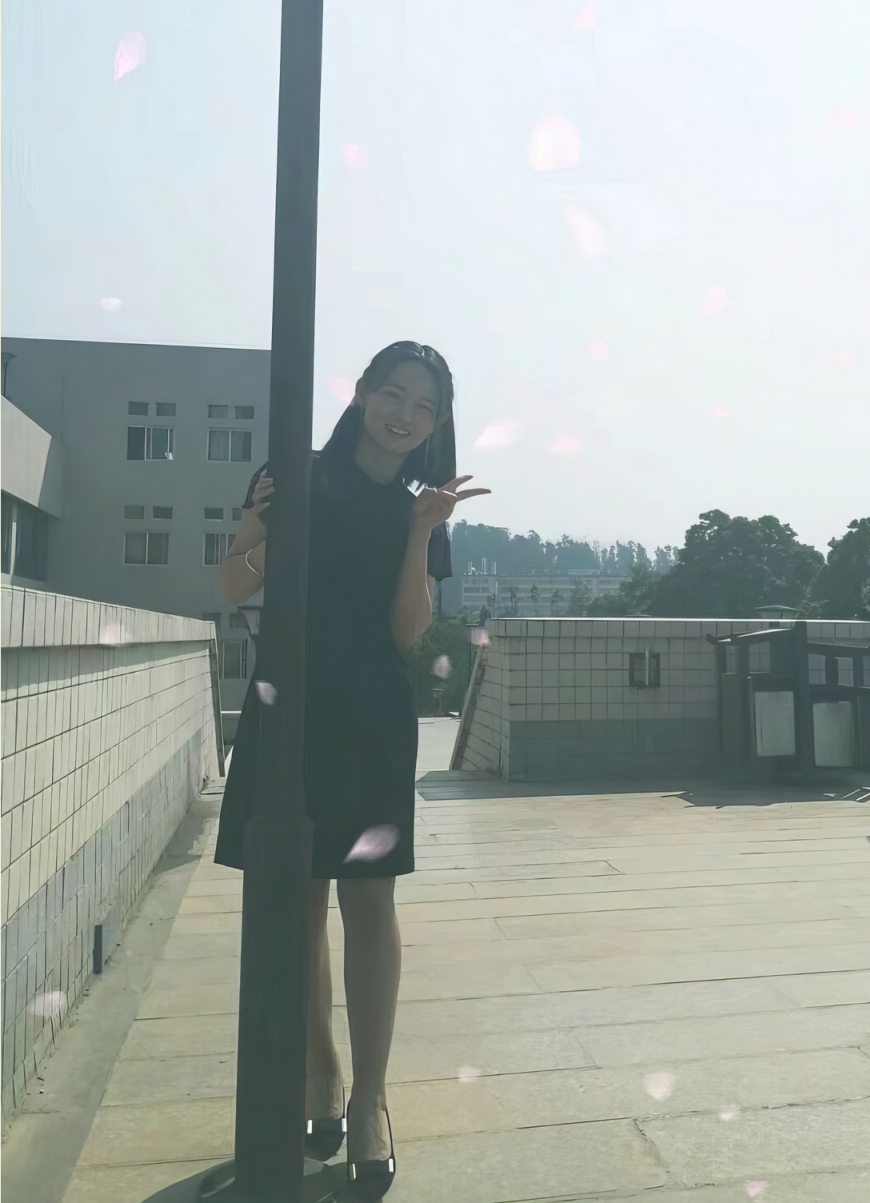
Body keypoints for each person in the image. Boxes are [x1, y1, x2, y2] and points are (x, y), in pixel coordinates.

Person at [212, 341, 490, 1196]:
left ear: (436, 425)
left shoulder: (420, 511)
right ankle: (321, 1075)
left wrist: (421, 534)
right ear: (363, 393)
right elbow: (231, 585)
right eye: (393, 393)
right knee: (297, 903)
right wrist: (268, 532)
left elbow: (405, 632)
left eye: (424, 406)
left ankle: (370, 1099)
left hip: (369, 716)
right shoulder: (291, 475)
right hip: (288, 708)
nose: (404, 414)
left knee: (369, 901)